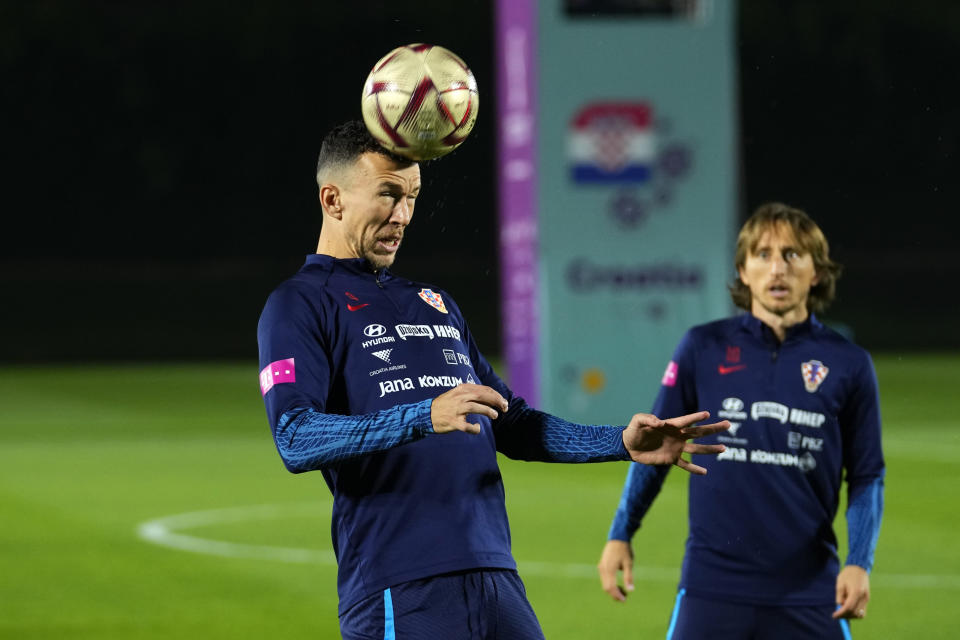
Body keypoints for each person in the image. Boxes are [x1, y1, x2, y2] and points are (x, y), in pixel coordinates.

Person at [257, 120, 729, 639]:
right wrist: (422, 416)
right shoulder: (299, 304)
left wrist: (618, 442)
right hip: (399, 585)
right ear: (333, 199)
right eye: (389, 195)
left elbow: (514, 422)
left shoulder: (433, 303)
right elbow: (295, 437)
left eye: (412, 196)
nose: (404, 216)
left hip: (496, 575)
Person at [597, 202, 885, 639]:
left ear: (817, 272)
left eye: (792, 255)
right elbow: (656, 446)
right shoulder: (702, 347)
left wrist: (859, 561)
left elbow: (866, 476)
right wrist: (621, 533)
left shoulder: (849, 364)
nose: (777, 269)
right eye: (763, 255)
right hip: (712, 586)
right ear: (744, 271)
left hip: (809, 589)